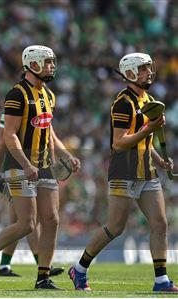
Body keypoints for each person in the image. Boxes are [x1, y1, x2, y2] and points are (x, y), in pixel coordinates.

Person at [0, 45, 80, 290]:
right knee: (27, 224)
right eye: (48, 62)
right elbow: (9, 135)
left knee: (52, 220)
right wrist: (26, 164)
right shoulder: (16, 94)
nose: (52, 66)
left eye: (53, 62)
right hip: (19, 166)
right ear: (33, 65)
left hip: (44, 166)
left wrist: (66, 155)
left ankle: (43, 277)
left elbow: (49, 132)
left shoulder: (49, 95)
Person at [69, 53, 177, 292]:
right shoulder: (123, 103)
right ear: (129, 73)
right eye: (143, 69)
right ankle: (79, 267)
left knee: (160, 223)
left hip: (147, 171)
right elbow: (119, 143)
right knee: (115, 227)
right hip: (124, 171)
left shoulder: (148, 99)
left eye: (150, 68)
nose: (149, 72)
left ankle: (161, 280)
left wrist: (159, 160)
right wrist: (149, 127)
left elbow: (144, 143)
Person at [0, 113, 64, 278]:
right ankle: (40, 264)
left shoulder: (31, 102)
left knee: (20, 221)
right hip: (20, 171)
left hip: (31, 170)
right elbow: (3, 140)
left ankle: (4, 265)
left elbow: (2, 142)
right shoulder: (16, 106)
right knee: (27, 222)